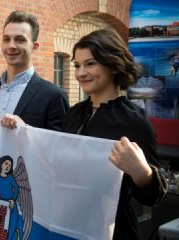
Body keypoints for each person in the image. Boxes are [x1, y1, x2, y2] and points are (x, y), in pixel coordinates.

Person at [62, 28, 167, 240]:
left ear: (112, 64)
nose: (81, 73)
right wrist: (22, 130)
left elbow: (154, 196)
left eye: (90, 64)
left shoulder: (133, 120)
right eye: (77, 65)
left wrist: (142, 172)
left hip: (113, 231)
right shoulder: (74, 113)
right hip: (70, 226)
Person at [0, 11, 69, 130]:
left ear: (35, 46)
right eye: (6, 39)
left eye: (20, 39)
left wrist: (26, 131)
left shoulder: (54, 96)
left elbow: (59, 144)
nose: (11, 46)